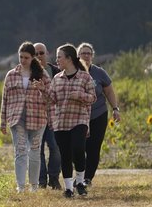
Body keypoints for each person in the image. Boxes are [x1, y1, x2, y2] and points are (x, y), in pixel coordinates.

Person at [36, 43, 96, 198]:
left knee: (78, 149)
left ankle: (80, 182)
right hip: (61, 122)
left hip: (79, 120)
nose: (56, 60)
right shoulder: (57, 78)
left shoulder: (85, 77)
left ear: (69, 58)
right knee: (65, 155)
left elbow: (92, 98)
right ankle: (69, 188)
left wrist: (80, 95)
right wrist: (43, 90)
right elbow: (52, 99)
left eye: (59, 57)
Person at [0, 41, 50, 193]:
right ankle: (20, 186)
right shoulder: (11, 75)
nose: (23, 60)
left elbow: (51, 98)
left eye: (26, 58)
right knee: (20, 150)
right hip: (17, 118)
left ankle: (34, 186)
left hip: (38, 117)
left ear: (33, 57)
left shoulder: (42, 75)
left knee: (35, 151)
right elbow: (5, 99)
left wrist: (42, 90)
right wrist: (2, 121)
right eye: (21, 57)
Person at [78, 42, 121, 186]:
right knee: (78, 147)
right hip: (78, 116)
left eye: (88, 53)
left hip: (98, 114)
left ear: (92, 56)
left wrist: (115, 109)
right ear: (77, 56)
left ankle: (88, 178)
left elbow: (109, 91)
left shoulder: (99, 73)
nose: (86, 56)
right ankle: (80, 174)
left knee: (94, 147)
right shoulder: (73, 72)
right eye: (83, 53)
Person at [33, 43, 61, 190]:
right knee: (38, 150)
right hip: (36, 117)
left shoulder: (57, 72)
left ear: (47, 54)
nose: (38, 56)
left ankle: (54, 178)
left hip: (54, 117)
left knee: (56, 147)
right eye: (35, 53)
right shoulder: (29, 73)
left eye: (41, 53)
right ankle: (41, 180)